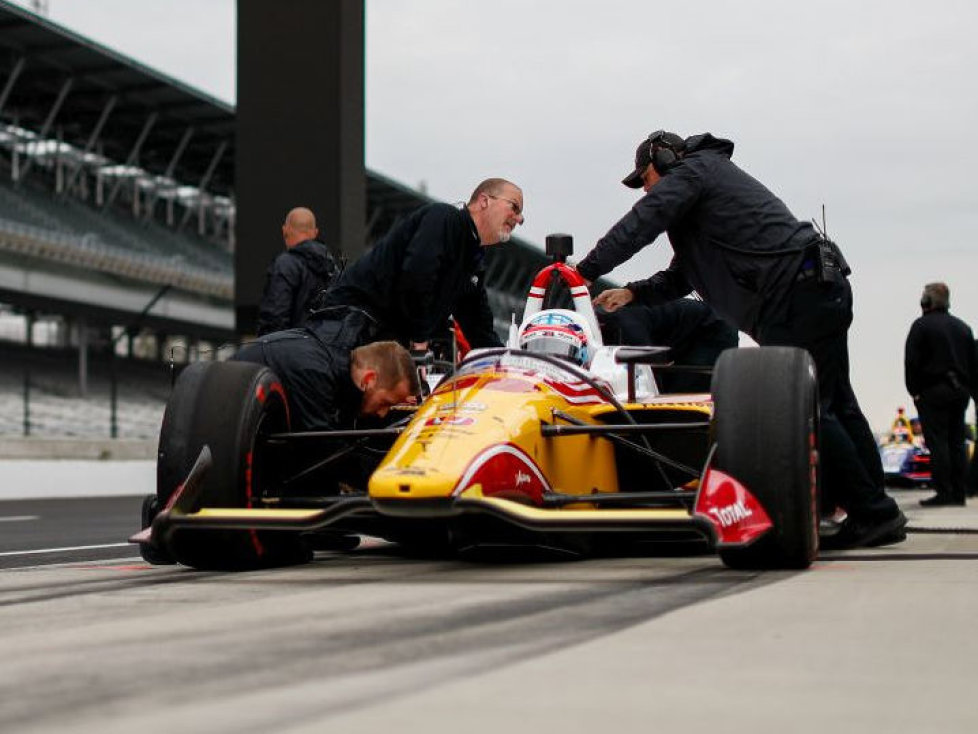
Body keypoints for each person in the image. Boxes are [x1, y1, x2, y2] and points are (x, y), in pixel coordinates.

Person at [573, 128, 905, 548]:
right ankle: (873, 508)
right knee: (835, 402)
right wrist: (633, 292)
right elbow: (682, 275)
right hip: (815, 287)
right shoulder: (702, 208)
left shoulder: (697, 169)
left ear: (666, 160)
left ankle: (872, 513)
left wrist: (583, 270)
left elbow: (644, 222)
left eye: (646, 179)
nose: (645, 191)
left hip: (796, 293)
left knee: (808, 407)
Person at [317, 178, 524, 351]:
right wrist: (419, 338)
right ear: (484, 201)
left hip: (376, 336)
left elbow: (478, 324)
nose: (520, 219)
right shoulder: (443, 218)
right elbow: (417, 275)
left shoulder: (473, 256)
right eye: (514, 207)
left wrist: (504, 362)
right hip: (349, 327)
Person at [233, 312, 420, 432]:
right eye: (385, 403)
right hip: (222, 429)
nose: (382, 414)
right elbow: (321, 454)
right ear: (369, 379)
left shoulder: (331, 365)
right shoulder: (315, 373)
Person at [904, 282, 977, 506]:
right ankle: (959, 493)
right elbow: (974, 365)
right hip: (960, 392)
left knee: (938, 443)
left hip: (932, 392)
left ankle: (943, 492)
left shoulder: (921, 326)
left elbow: (912, 362)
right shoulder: (964, 328)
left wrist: (914, 391)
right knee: (957, 442)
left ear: (926, 302)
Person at [595, 288, 738, 392]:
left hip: (714, 331)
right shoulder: (601, 325)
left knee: (674, 402)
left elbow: (649, 371)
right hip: (677, 335)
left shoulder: (626, 327)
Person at [256, 207, 342, 336]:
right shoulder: (335, 271)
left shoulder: (285, 264)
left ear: (285, 230)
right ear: (315, 233)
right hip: (324, 351)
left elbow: (274, 318)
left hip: (290, 350)